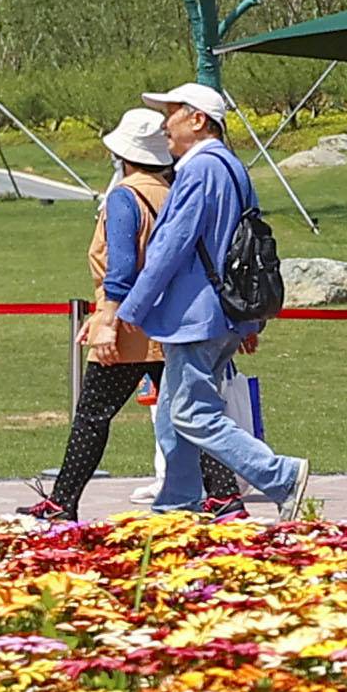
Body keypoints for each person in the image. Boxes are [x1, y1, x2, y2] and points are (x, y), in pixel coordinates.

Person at [112, 83, 309, 517]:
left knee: (192, 412)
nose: (165, 123)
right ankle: (177, 504)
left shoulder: (200, 169)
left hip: (196, 312)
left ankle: (281, 475)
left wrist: (132, 307)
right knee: (173, 411)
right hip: (224, 311)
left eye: (173, 112)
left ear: (198, 119)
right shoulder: (233, 168)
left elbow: (171, 244)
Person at [33, 106, 235, 522]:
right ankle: (224, 494)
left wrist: (106, 320)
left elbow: (121, 269)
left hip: (129, 322)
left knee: (93, 413)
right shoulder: (175, 190)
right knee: (191, 411)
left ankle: (63, 499)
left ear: (124, 155)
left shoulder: (125, 196)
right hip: (173, 323)